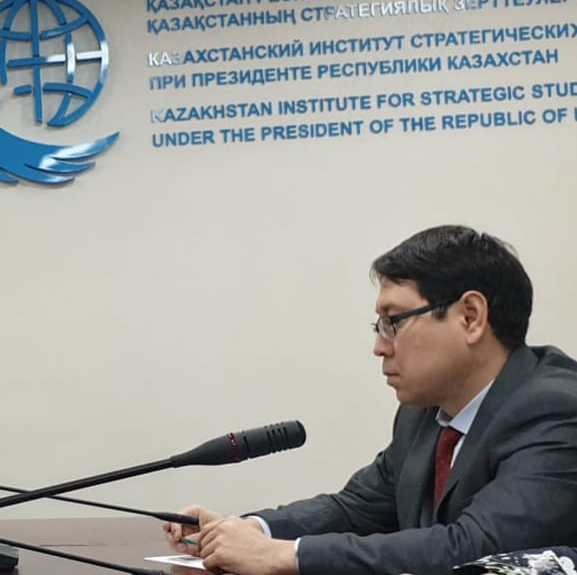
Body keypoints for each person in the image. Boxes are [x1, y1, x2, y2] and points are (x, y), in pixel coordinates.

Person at [162, 225, 577, 574]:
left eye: (393, 322)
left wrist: (285, 556)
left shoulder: (556, 410)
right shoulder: (423, 412)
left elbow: (477, 546)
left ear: (470, 317)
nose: (380, 347)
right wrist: (249, 530)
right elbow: (356, 508)